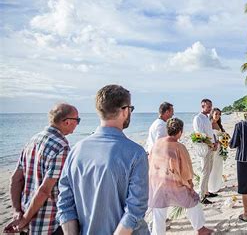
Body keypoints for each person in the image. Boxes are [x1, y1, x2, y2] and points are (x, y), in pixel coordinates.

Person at [57, 85, 149, 234]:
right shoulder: (136, 153)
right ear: (125, 111)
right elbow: (135, 210)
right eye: (130, 109)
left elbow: (65, 205)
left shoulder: (76, 150)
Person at [5, 103, 79, 234]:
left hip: (25, 218)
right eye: (77, 120)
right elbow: (45, 190)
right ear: (67, 122)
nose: (77, 124)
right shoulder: (61, 147)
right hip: (47, 223)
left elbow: (16, 179)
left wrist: (17, 212)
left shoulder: (32, 140)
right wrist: (25, 220)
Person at [148, 118, 212, 235]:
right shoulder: (179, 147)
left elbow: (150, 161)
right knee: (194, 202)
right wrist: (189, 184)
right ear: (180, 131)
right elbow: (186, 169)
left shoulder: (157, 143)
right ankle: (200, 229)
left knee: (158, 213)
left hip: (156, 182)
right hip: (174, 184)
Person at [192, 99, 218, 204]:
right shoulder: (198, 118)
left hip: (211, 148)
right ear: (202, 106)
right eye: (208, 107)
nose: (210, 109)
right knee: (204, 171)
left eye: (211, 106)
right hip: (204, 149)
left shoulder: (207, 118)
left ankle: (206, 192)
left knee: (209, 170)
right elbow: (199, 135)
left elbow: (210, 133)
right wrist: (210, 144)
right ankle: (202, 196)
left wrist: (215, 142)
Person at [208, 108, 226, 195]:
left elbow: (222, 135)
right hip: (213, 148)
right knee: (213, 167)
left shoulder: (219, 124)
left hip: (220, 148)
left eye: (219, 114)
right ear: (212, 114)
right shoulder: (209, 124)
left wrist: (224, 139)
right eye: (216, 114)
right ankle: (211, 186)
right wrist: (217, 142)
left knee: (219, 166)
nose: (218, 116)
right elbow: (208, 137)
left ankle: (217, 185)